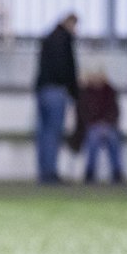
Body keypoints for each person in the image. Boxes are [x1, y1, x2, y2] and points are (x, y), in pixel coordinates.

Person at [34, 13, 79, 184]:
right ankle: (51, 172)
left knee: (43, 133)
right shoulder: (65, 39)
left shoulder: (48, 38)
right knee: (53, 133)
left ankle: (44, 172)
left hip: (43, 90)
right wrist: (74, 91)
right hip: (57, 90)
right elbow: (68, 67)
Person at [74, 69, 122, 183]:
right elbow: (82, 113)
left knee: (114, 138)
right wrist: (95, 123)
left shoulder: (110, 92)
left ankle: (117, 172)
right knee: (93, 138)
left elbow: (115, 111)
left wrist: (106, 124)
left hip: (108, 126)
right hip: (91, 126)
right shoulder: (84, 93)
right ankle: (90, 172)